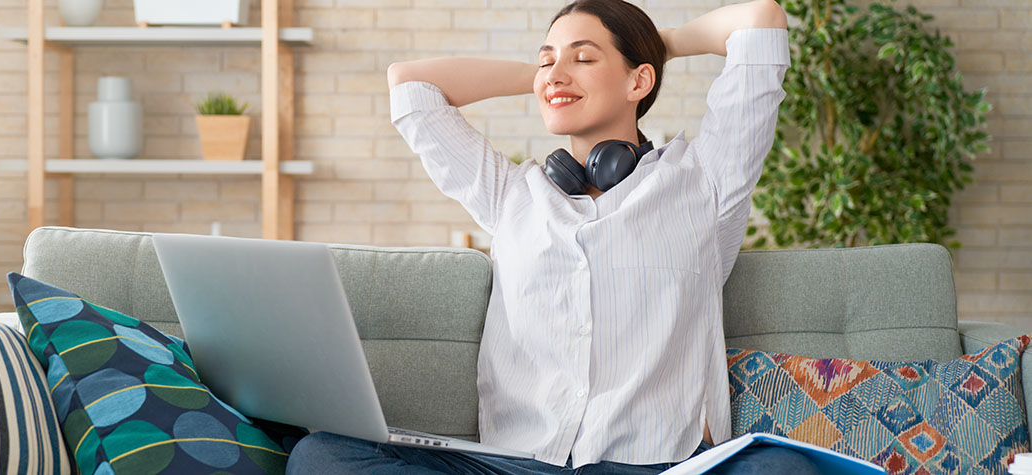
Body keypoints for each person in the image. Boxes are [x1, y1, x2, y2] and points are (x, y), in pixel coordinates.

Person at [287, 0, 816, 473]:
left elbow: (759, 19)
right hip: (518, 465)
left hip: (653, 465)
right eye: (547, 59)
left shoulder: (705, 181)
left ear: (640, 81)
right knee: (322, 455)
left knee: (779, 469)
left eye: (584, 58)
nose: (557, 73)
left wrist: (660, 45)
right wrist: (547, 77)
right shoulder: (511, 192)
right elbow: (410, 84)